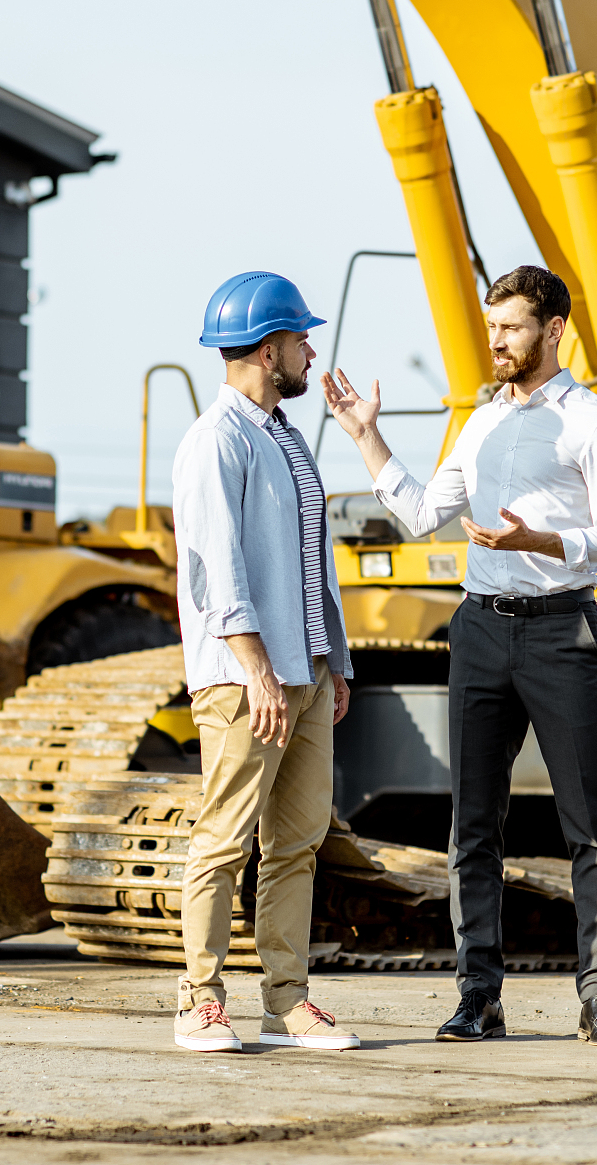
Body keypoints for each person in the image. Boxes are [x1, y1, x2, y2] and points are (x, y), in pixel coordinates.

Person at [321, 264, 597, 1048]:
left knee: (590, 826)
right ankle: (478, 997)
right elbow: (427, 512)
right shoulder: (482, 421)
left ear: (554, 329)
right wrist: (367, 434)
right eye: (491, 326)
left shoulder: (594, 424)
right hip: (481, 631)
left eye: (511, 327)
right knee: (473, 824)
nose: (494, 340)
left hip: (562, 631)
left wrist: (540, 539)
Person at [168, 270, 360, 1054]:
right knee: (225, 836)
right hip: (247, 676)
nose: (312, 351)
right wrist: (252, 664)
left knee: (297, 841)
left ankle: (287, 1000)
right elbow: (215, 565)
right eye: (301, 339)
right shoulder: (216, 438)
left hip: (305, 672)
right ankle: (198, 1000)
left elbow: (312, 560)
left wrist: (333, 662)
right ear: (268, 347)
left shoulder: (283, 435)